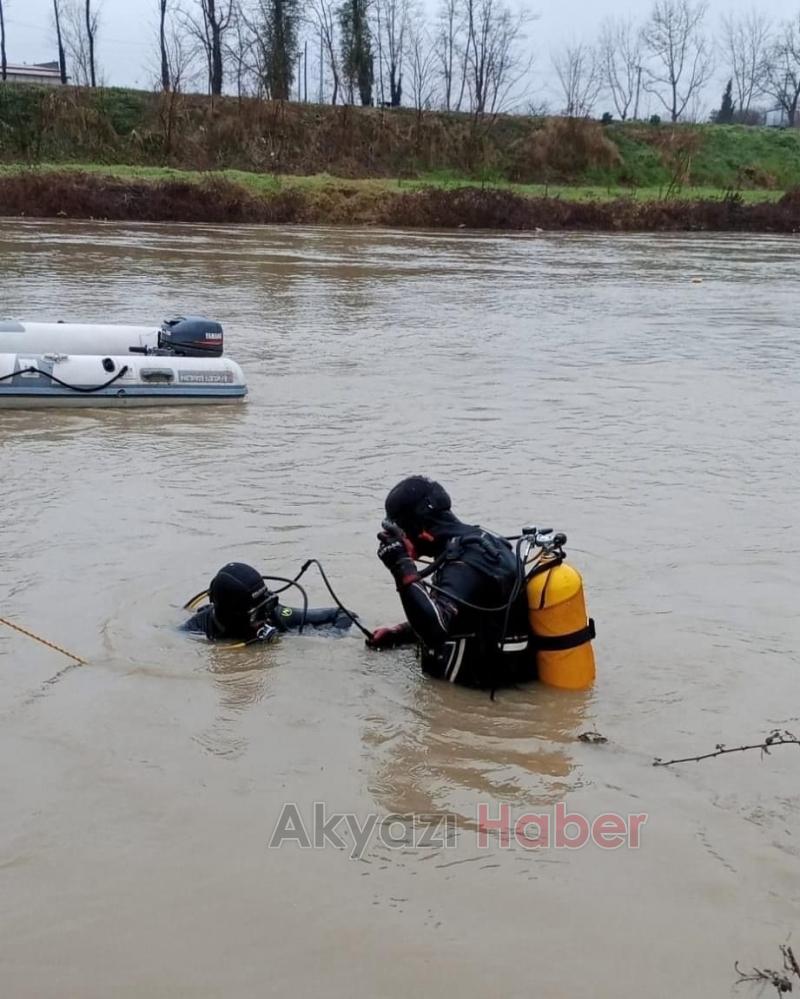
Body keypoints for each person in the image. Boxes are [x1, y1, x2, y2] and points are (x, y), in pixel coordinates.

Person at [366, 477, 536, 689]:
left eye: (397, 531)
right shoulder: (478, 543)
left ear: (420, 528)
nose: (396, 539)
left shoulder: (464, 560)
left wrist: (401, 565)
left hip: (477, 697)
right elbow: (464, 616)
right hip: (503, 679)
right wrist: (399, 634)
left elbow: (436, 630)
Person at [184, 562, 355, 643]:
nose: (265, 618)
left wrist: (330, 639)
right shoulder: (198, 627)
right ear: (232, 617)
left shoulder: (276, 615)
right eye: (256, 615)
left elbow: (344, 614)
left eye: (267, 606)